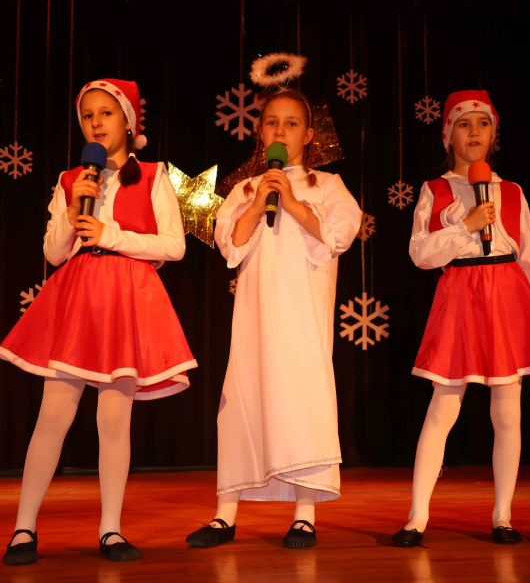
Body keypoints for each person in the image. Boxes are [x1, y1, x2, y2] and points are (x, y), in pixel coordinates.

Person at [1, 78, 197, 565]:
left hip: (126, 298)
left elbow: (174, 246)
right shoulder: (71, 179)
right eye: (87, 115)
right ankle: (23, 528)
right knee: (53, 415)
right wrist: (72, 214)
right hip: (79, 299)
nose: (95, 122)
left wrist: (111, 235)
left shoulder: (153, 175)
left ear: (128, 122)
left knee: (113, 419)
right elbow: (53, 252)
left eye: (105, 113)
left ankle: (110, 529)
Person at [186, 89, 361, 549]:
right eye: (271, 122)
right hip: (255, 321)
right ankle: (225, 515)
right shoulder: (246, 189)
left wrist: (293, 201)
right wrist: (259, 196)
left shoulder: (329, 185)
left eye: (292, 123)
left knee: (302, 403)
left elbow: (339, 234)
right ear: (260, 132)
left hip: (303, 321)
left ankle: (304, 515)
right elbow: (230, 244)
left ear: (309, 134)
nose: (280, 130)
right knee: (244, 400)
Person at [395, 90, 530, 548]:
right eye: (464, 124)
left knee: (507, 411)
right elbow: (421, 254)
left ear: (494, 134)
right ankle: (417, 517)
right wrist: (465, 226)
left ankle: (502, 516)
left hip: (508, 297)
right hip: (461, 294)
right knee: (443, 406)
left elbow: (529, 257)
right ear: (447, 135)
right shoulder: (434, 190)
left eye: (483, 123)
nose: (474, 132)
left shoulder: (512, 191)